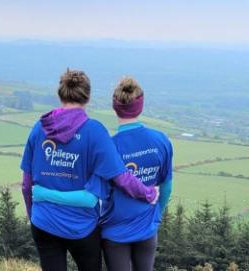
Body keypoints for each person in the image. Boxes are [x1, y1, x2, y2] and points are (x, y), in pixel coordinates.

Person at [21, 69, 159, 271]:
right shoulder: (94, 131)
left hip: (44, 222)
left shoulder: (39, 127)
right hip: (80, 226)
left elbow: (26, 184)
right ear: (87, 97)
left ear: (61, 94)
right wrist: (148, 193)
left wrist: (33, 213)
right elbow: (121, 177)